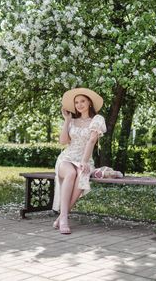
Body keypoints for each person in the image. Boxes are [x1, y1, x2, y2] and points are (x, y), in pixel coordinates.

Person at [52, 87, 106, 234]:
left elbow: (92, 141)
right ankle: (63, 219)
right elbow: (63, 142)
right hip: (67, 158)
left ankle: (63, 216)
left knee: (82, 174)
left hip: (85, 158)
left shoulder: (97, 120)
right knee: (70, 173)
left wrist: (84, 162)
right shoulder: (72, 121)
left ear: (89, 103)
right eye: (76, 102)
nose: (79, 104)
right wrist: (67, 120)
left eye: (82, 101)